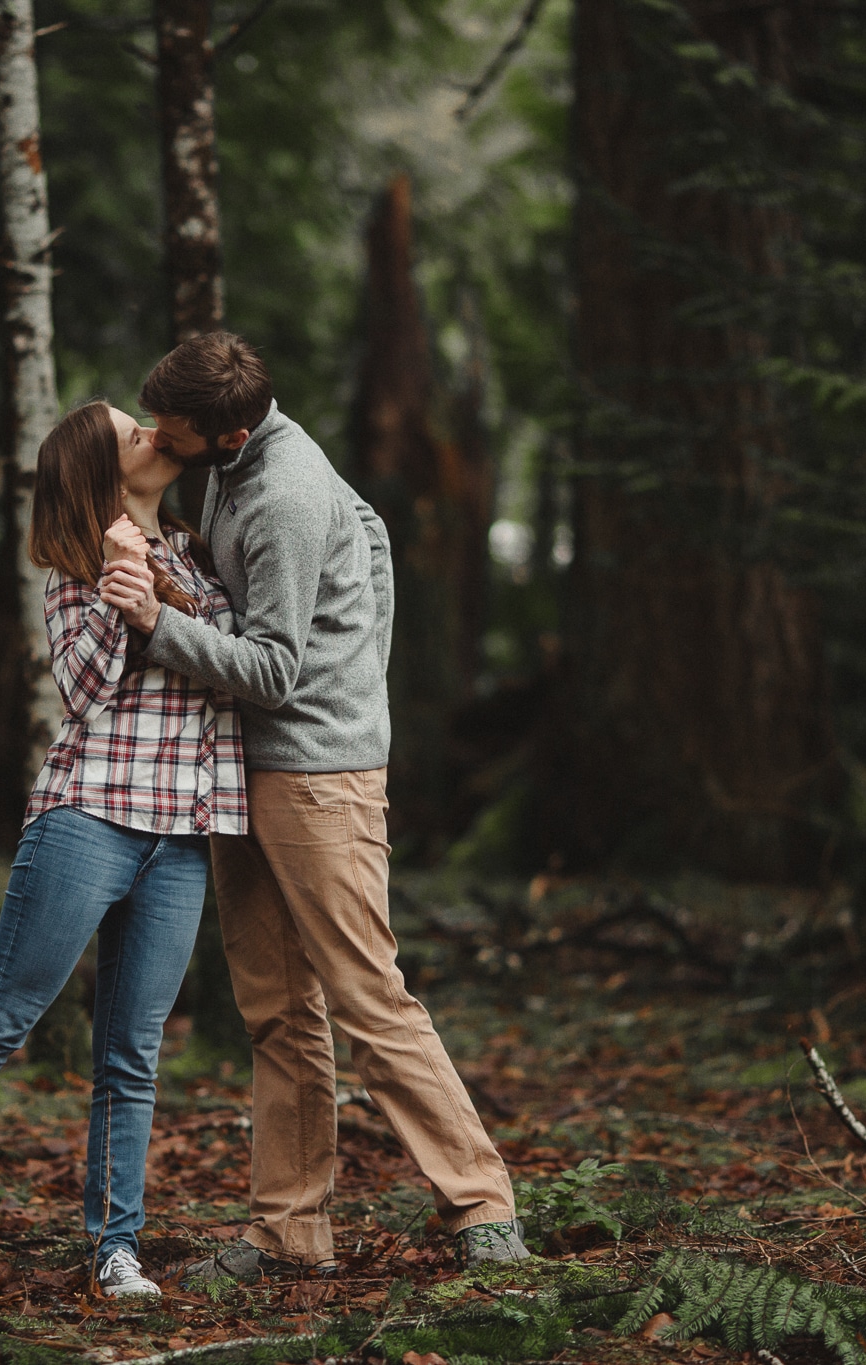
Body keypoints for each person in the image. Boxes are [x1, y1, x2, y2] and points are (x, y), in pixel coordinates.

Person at [97, 332, 529, 1282]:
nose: (158, 439)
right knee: (276, 1011)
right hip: (250, 769)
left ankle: (483, 1203)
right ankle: (290, 1228)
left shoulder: (284, 492)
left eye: (173, 430)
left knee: (369, 997)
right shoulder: (236, 468)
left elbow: (277, 667)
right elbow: (369, 532)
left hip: (315, 779)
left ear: (231, 430)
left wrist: (156, 625)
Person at [0, 400, 245, 1300]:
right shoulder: (76, 568)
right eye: (131, 434)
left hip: (182, 835)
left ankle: (116, 1245)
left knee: (132, 1052)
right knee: (4, 1016)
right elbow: (81, 692)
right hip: (89, 817)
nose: (153, 431)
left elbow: (233, 663)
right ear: (103, 476)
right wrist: (121, 590)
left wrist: (162, 591)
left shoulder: (194, 552)